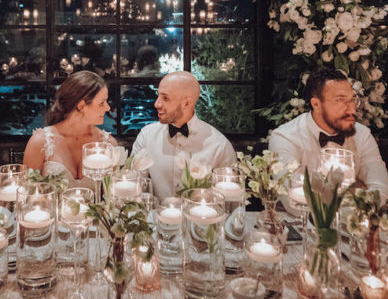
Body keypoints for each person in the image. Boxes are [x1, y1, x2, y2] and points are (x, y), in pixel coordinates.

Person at [269, 67, 388, 202]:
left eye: (352, 100)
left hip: (355, 222)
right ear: (316, 104)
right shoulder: (285, 138)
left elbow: (382, 192)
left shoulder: (362, 135)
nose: (352, 109)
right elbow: (294, 201)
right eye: (340, 100)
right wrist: (355, 190)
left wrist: (321, 194)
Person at [132, 71, 236, 201]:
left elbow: (229, 202)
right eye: (158, 96)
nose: (157, 104)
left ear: (187, 103)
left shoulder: (219, 146)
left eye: (165, 98)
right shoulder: (146, 136)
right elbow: (133, 185)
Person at [23, 70, 116, 183]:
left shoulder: (108, 144)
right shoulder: (40, 142)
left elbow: (113, 196)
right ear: (81, 105)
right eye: (102, 103)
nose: (108, 108)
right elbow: (27, 194)